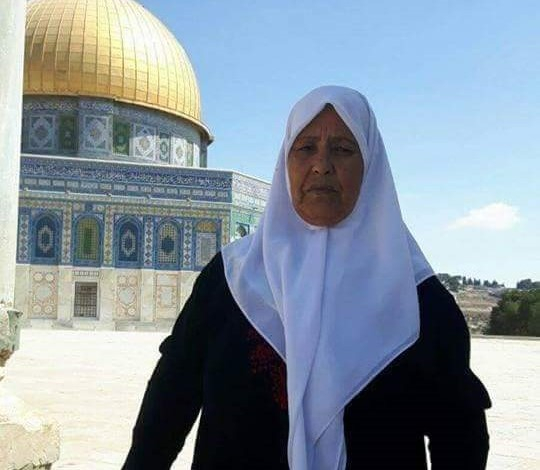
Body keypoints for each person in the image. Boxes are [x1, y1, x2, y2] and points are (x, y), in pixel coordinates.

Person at [123, 86, 491, 469]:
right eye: (306, 148)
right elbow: (169, 402)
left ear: (370, 164)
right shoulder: (232, 279)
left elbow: (459, 434)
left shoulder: (414, 296)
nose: (321, 165)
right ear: (285, 162)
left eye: (343, 149)